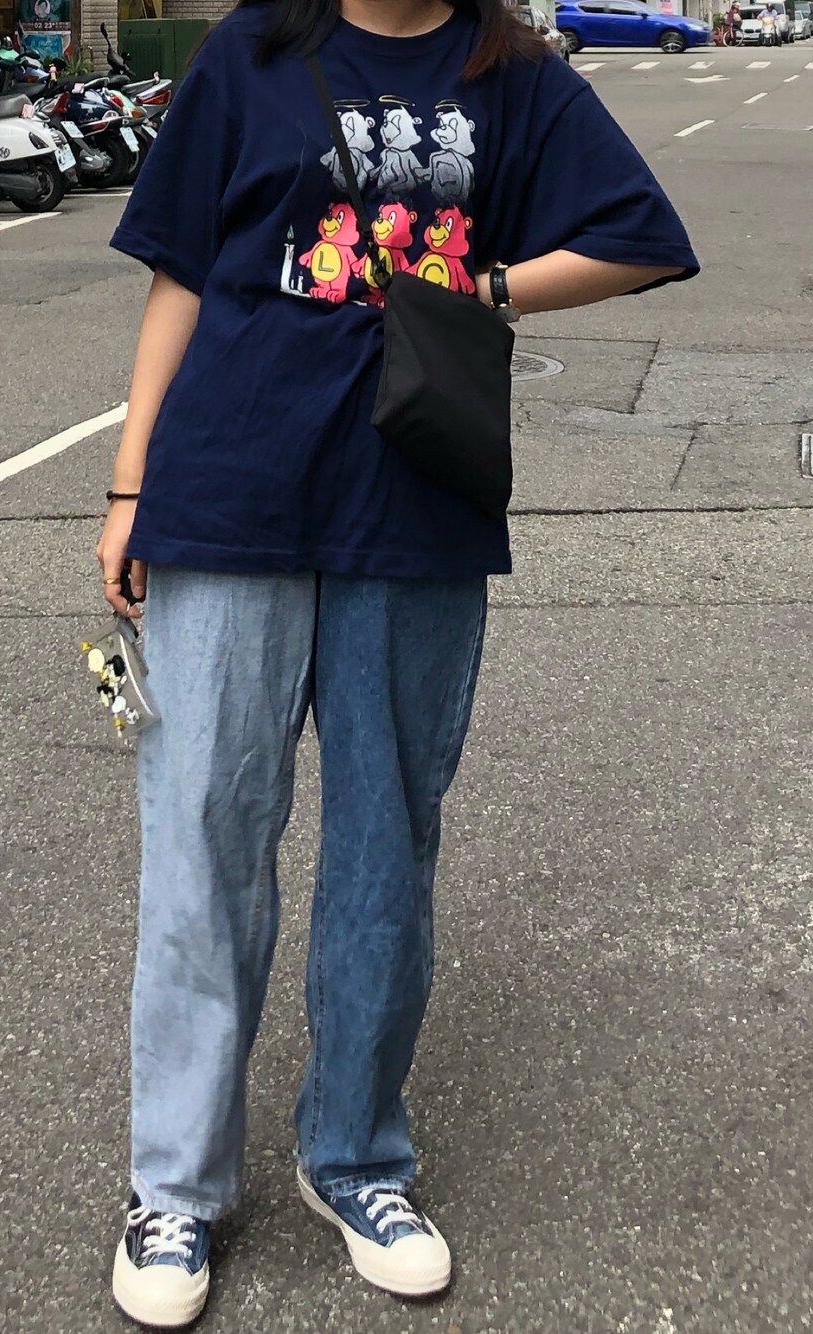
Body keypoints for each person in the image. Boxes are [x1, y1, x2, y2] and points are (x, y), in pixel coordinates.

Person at [99, 0, 699, 1325]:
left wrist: (485, 287)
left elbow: (642, 238)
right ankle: (175, 1186)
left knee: (385, 849)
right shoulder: (253, 51)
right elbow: (181, 271)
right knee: (202, 838)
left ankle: (358, 1157)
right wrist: (130, 482)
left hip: (414, 507)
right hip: (229, 495)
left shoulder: (511, 74)